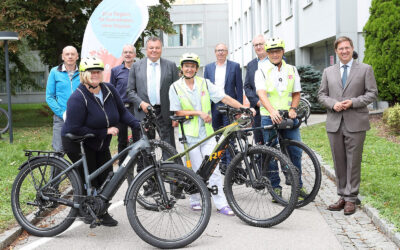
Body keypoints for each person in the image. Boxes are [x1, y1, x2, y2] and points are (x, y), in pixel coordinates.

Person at [169, 53, 254, 216]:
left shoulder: (205, 83)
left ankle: (221, 203)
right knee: (195, 169)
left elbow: (224, 97)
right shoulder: (175, 87)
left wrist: (243, 108)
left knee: (213, 168)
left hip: (207, 133)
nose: (189, 68)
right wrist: (199, 112)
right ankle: (195, 200)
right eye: (186, 66)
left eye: (192, 66)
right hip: (189, 135)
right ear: (182, 67)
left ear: (196, 68)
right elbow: (177, 110)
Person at [61, 57, 140, 226]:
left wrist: (137, 124)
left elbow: (122, 112)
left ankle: (101, 211)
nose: (96, 74)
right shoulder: (78, 97)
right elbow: (74, 127)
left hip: (100, 142)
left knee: (106, 178)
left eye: (98, 71)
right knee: (88, 179)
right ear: (83, 74)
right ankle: (85, 211)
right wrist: (103, 131)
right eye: (92, 71)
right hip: (78, 142)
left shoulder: (109, 89)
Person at [318, 36, 378, 215]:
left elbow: (372, 94)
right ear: (336, 52)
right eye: (340, 49)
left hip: (356, 121)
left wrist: (353, 102)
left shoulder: (365, 69)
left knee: (353, 161)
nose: (344, 51)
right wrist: (332, 104)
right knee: (339, 161)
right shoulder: (328, 71)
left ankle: (351, 198)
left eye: (347, 48)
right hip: (334, 123)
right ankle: (342, 195)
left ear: (352, 49)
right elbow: (322, 95)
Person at [255, 37, 307, 201]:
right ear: (267, 53)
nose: (274, 54)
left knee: (295, 152)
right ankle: (275, 188)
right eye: (271, 52)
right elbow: (261, 93)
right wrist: (271, 111)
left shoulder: (291, 69)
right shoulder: (261, 70)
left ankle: (297, 186)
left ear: (283, 51)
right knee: (272, 153)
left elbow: (296, 93)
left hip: (288, 116)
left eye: (277, 51)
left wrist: (293, 108)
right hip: (269, 117)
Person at [126, 36, 179, 147]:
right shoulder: (136, 66)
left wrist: (176, 114)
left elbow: (177, 91)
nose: (154, 50)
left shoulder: (171, 66)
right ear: (146, 49)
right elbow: (130, 91)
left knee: (168, 147)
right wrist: (141, 103)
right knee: (145, 149)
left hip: (164, 113)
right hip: (144, 113)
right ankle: (148, 165)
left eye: (157, 48)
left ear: (161, 49)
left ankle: (169, 164)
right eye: (151, 48)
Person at [204, 43, 243, 170]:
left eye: (223, 50)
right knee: (217, 135)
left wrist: (240, 108)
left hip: (230, 106)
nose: (220, 52)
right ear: (215, 52)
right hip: (214, 106)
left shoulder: (235, 66)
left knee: (229, 136)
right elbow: (204, 89)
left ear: (227, 52)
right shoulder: (208, 68)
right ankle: (220, 162)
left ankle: (230, 165)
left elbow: (239, 88)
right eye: (218, 50)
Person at [46, 46, 80, 152]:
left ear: (77, 57)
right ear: (62, 57)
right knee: (58, 150)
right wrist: (62, 114)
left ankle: (79, 169)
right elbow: (49, 97)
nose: (70, 56)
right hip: (61, 118)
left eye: (72, 54)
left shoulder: (83, 72)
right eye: (67, 54)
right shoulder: (54, 72)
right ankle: (57, 169)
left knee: (81, 151)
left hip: (80, 118)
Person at [110, 44, 136, 163]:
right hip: (121, 109)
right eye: (125, 52)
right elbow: (112, 91)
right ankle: (122, 166)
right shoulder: (115, 71)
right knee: (122, 140)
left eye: (130, 52)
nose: (128, 54)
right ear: (122, 55)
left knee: (138, 137)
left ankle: (141, 165)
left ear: (134, 55)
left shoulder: (139, 69)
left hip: (136, 108)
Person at [244, 34, 268, 146]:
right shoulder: (251, 65)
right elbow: (247, 87)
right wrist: (257, 102)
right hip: (258, 111)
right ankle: (261, 164)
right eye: (255, 45)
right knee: (260, 142)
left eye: (260, 44)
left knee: (275, 142)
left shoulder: (276, 60)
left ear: (266, 45)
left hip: (275, 108)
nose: (258, 47)